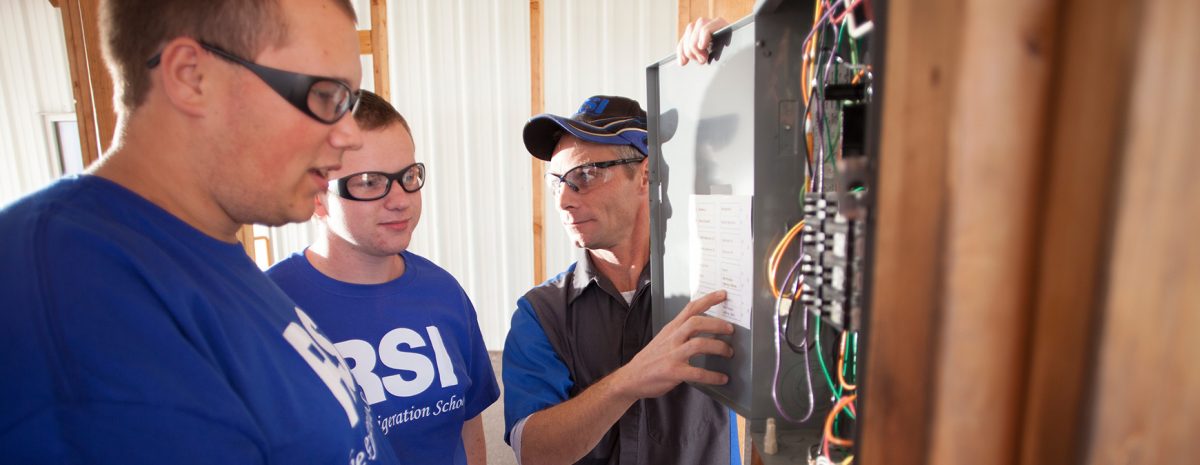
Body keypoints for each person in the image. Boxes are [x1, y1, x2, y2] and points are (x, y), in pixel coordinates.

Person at [0, 0, 399, 463]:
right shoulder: (72, 288)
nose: (348, 135)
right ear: (192, 77)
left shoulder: (206, 249)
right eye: (326, 96)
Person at [502, 95, 741, 465]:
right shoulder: (541, 314)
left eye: (585, 175)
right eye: (556, 182)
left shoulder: (714, 290)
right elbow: (533, 451)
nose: (563, 200)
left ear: (646, 175)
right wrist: (629, 381)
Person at [267, 90, 500, 465]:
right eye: (370, 182)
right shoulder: (269, 308)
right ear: (315, 196)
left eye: (408, 176)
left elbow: (468, 427)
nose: (400, 199)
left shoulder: (443, 293)